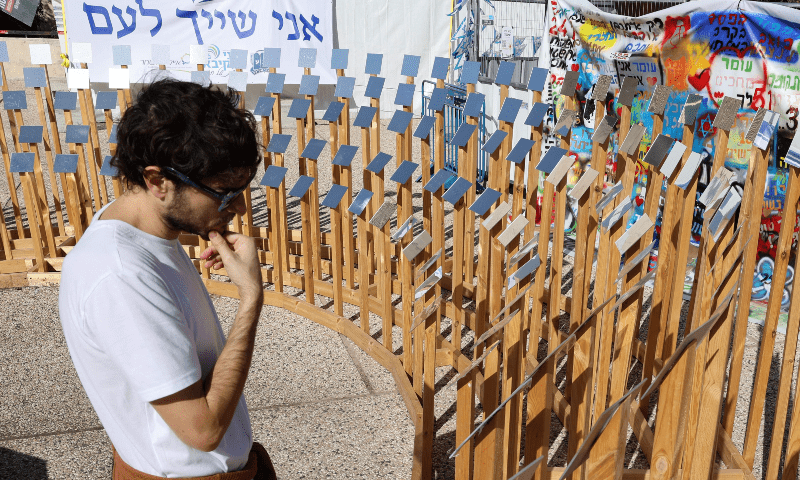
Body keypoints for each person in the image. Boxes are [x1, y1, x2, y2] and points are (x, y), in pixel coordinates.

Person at [59, 79, 276, 479]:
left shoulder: (143, 230)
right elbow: (203, 430)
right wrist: (250, 298)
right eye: (225, 193)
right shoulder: (120, 275)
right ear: (158, 181)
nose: (240, 206)